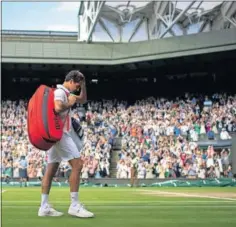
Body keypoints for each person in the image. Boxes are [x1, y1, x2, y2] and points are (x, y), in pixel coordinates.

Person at [38, 70, 94, 218]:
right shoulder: (60, 92)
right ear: (70, 80)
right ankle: (74, 205)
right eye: (77, 84)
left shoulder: (66, 92)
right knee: (78, 165)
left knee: (51, 169)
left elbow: (82, 99)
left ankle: (44, 206)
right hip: (61, 134)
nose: (77, 88)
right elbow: (57, 107)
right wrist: (70, 102)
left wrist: (83, 85)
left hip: (56, 135)